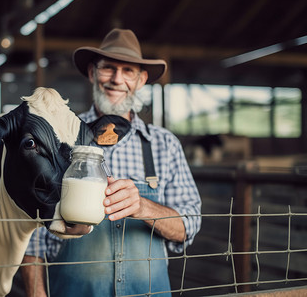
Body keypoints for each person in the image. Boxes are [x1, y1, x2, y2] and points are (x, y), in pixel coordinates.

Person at [20, 28, 202, 297]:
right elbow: (32, 236)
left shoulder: (164, 145)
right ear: (93, 73)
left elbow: (190, 225)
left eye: (128, 71)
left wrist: (144, 206)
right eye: (108, 69)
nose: (117, 79)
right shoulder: (61, 137)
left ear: (140, 80)